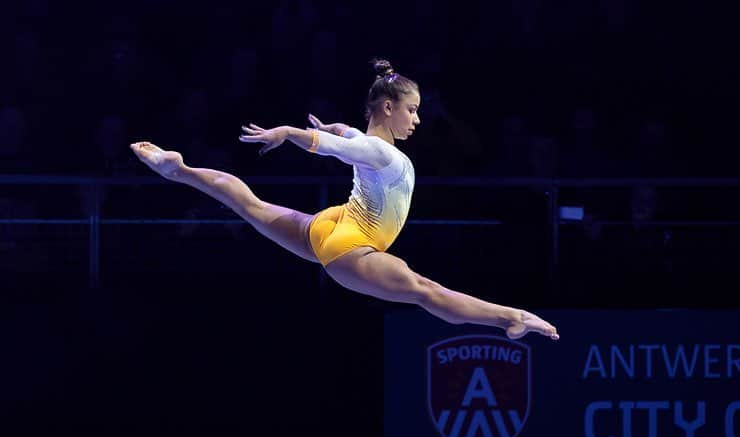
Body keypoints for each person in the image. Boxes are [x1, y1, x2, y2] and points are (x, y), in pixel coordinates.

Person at [130, 59, 558, 340]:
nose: (417, 119)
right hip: (352, 248)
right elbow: (335, 145)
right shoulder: (382, 151)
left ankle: (180, 171)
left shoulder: (369, 144)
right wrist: (289, 133)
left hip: (333, 227)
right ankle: (510, 317)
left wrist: (337, 130)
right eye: (412, 110)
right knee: (426, 292)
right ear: (387, 107)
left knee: (252, 206)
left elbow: (346, 138)